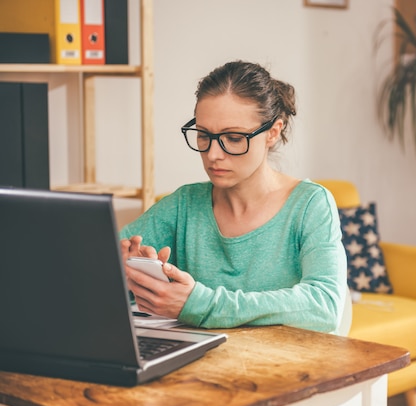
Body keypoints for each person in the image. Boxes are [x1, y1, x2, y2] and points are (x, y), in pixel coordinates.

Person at [119, 60, 347, 334]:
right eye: (204, 135)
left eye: (234, 138)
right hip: (206, 368)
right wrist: (128, 273)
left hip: (286, 369)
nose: (213, 154)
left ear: (273, 133)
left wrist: (199, 304)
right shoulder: (183, 204)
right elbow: (98, 264)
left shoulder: (310, 204)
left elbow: (324, 306)